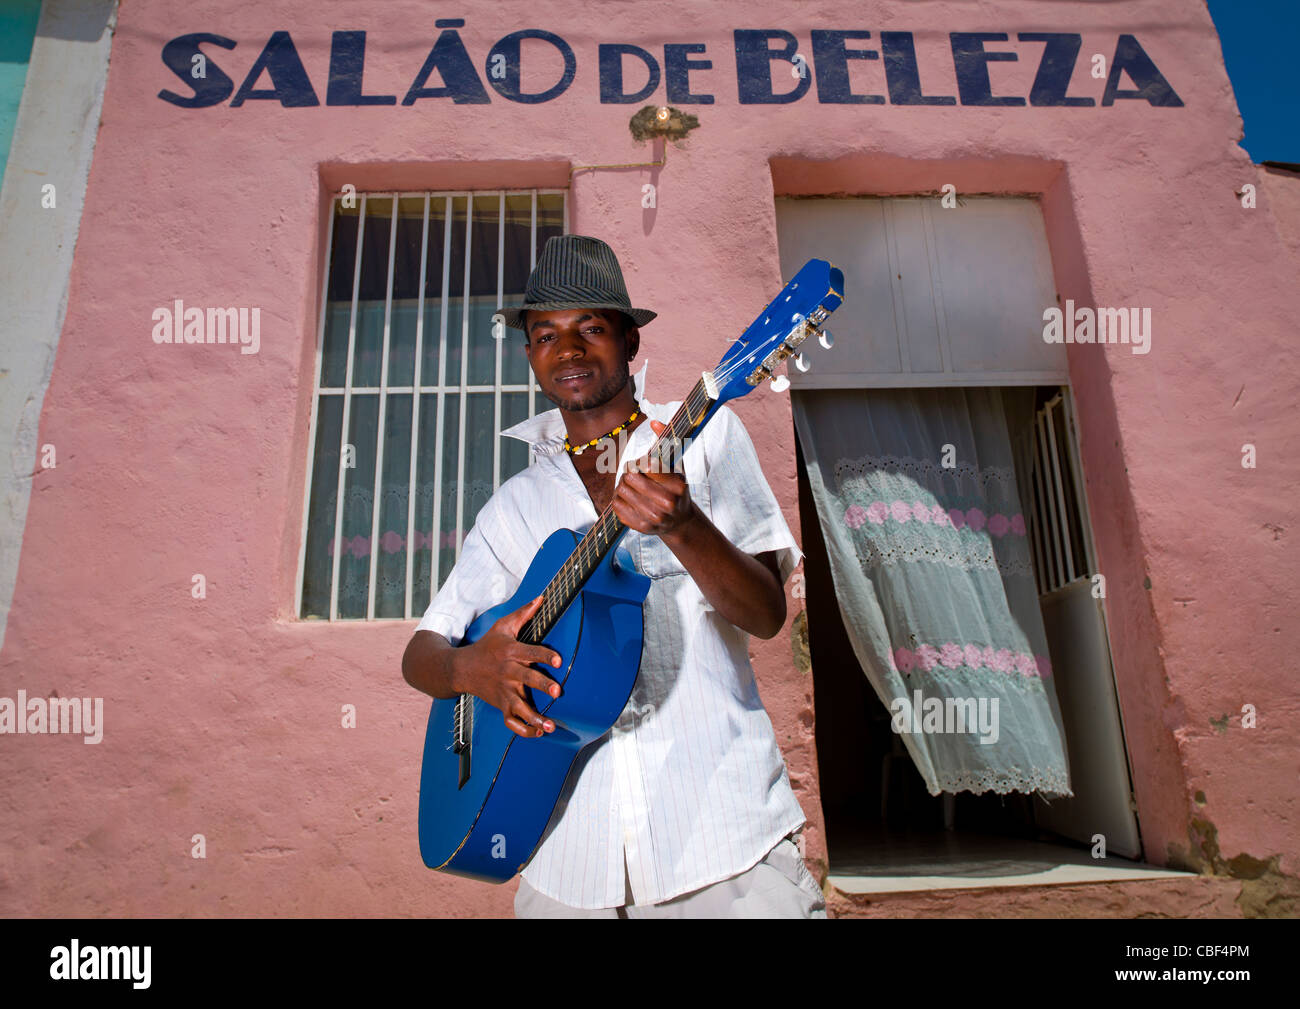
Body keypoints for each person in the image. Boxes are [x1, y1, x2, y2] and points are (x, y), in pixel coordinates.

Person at [401, 235, 825, 918]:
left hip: (725, 844)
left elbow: (767, 613)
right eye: (545, 335)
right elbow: (422, 652)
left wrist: (686, 527)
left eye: (590, 328)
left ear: (629, 340)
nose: (567, 349)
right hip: (567, 864)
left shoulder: (705, 441)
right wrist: (473, 670)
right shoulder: (515, 505)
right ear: (531, 355)